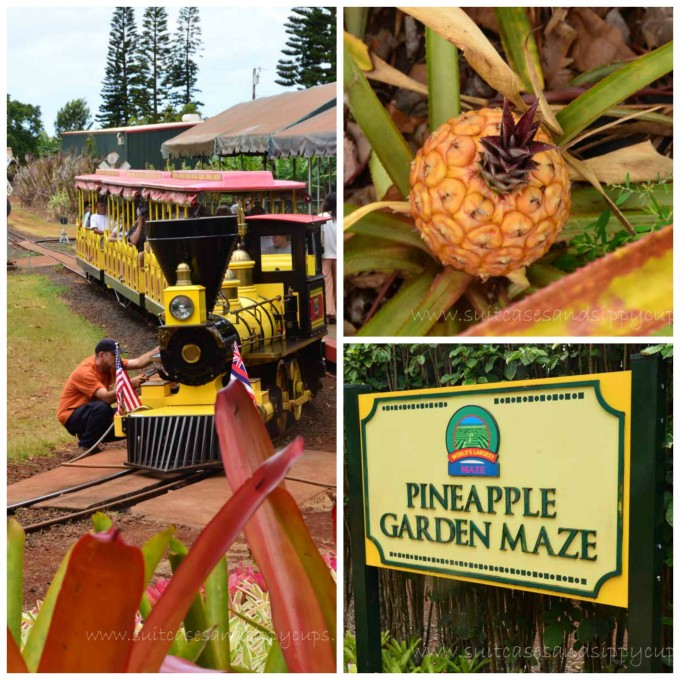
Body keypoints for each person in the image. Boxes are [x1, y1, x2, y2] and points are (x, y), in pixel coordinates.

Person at [57, 339, 159, 452]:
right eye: (114, 355)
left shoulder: (112, 364)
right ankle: (86, 446)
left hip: (91, 412)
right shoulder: (85, 371)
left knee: (130, 416)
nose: (117, 358)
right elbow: (106, 398)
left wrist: (159, 349)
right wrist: (130, 384)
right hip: (72, 416)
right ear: (102, 354)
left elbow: (138, 362)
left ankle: (144, 448)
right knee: (102, 408)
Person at [319, 191, 337, 321]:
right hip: (338, 255)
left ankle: (330, 311)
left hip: (326, 255)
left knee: (327, 284)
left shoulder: (321, 217)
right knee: (337, 284)